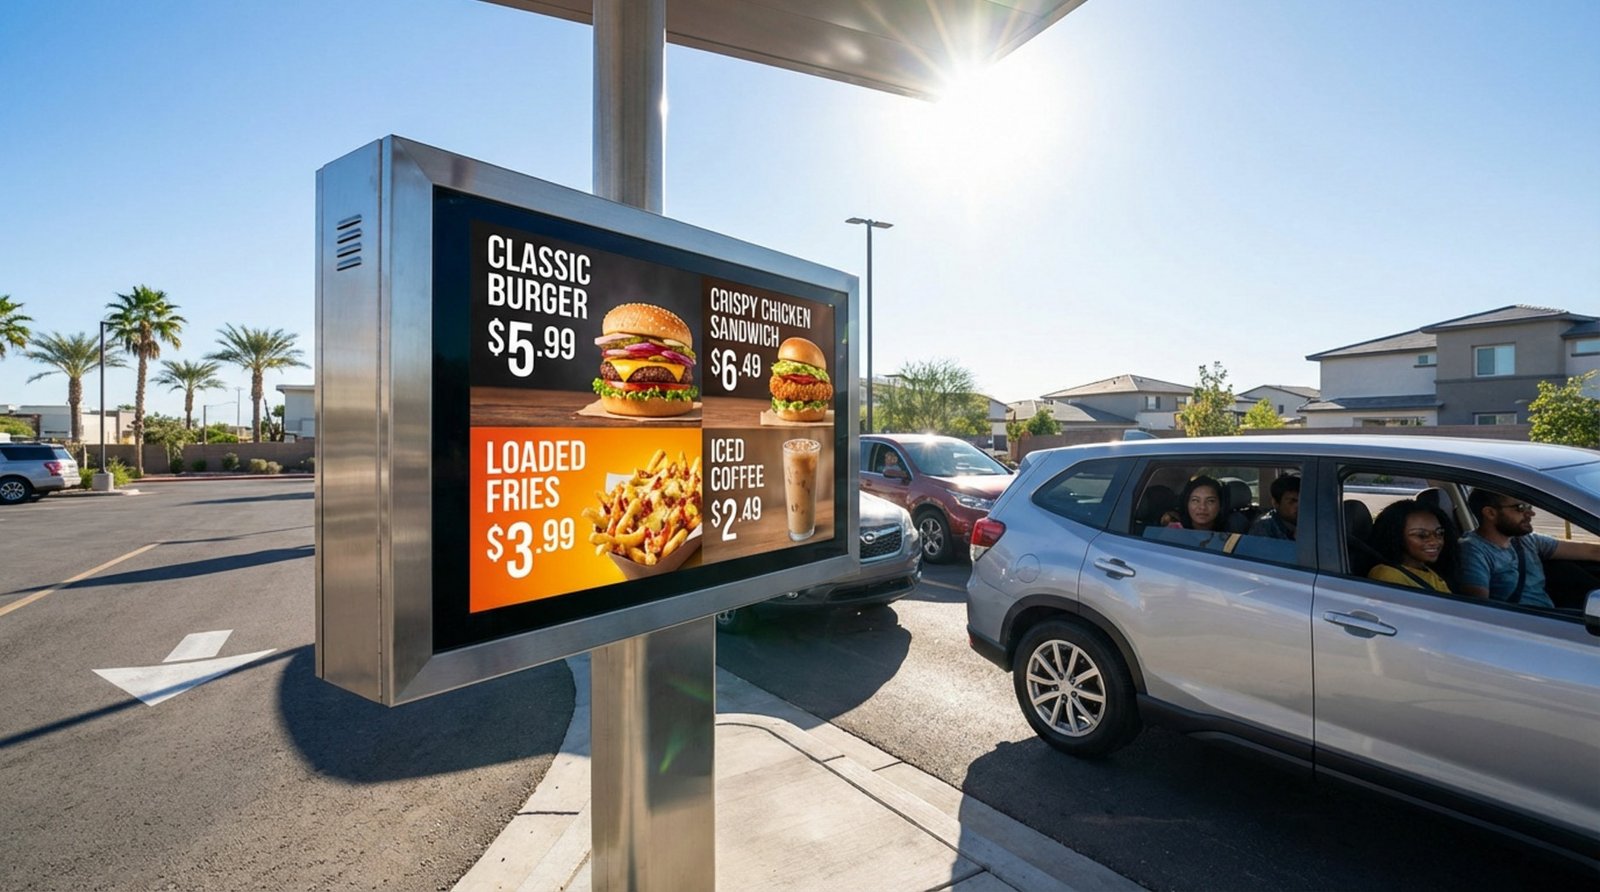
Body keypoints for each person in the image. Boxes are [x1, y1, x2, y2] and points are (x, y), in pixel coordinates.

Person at [1458, 489, 1600, 608]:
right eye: (1520, 508)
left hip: (1550, 617)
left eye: (1529, 506)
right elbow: (1479, 610)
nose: (1531, 513)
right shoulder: (1473, 551)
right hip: (1524, 628)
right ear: (1490, 513)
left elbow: (1591, 551)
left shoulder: (1525, 540)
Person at [1367, 499, 1456, 593]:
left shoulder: (1426, 569)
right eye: (1421, 535)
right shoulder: (1388, 575)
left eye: (1439, 533)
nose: (1435, 541)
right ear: (1396, 536)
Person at [1248, 474, 1300, 540]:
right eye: (1292, 501)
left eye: (1302, 501)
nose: (1298, 505)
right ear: (1275, 503)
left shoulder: (1309, 521)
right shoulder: (1264, 527)